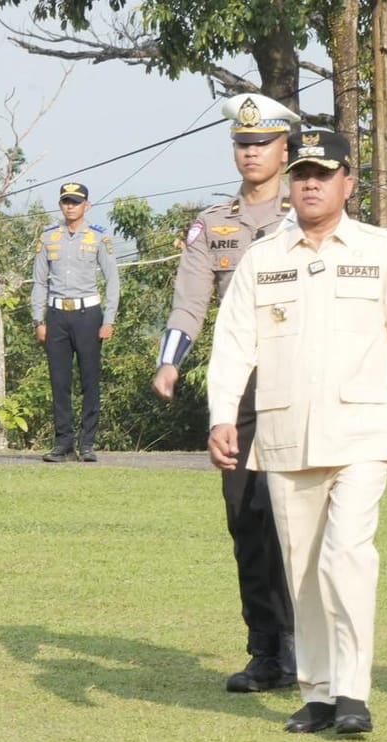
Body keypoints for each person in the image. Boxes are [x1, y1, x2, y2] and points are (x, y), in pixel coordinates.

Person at [206, 130, 387, 735]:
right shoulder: (263, 257)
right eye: (302, 174)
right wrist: (222, 415)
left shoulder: (382, 251)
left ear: (348, 183)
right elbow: (232, 345)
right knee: (304, 568)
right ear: (291, 183)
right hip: (286, 434)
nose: (311, 184)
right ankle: (316, 693)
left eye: (323, 174)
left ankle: (353, 693)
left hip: (362, 431)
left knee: (347, 556)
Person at [151, 93, 298, 692]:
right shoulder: (214, 225)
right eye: (242, 143)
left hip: (302, 384)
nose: (251, 153)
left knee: (296, 517)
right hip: (241, 388)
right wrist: (170, 362)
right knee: (247, 518)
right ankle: (266, 649)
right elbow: (190, 302)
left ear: (285, 148)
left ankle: (307, 646)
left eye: (262, 142)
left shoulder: (309, 212)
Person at [31, 182, 120, 462]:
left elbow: (113, 280)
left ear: (86, 206)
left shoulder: (98, 237)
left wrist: (108, 320)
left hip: (88, 315)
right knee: (59, 382)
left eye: (76, 202)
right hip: (56, 315)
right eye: (66, 201)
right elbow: (39, 282)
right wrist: (38, 320)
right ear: (60, 205)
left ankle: (87, 444)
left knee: (89, 380)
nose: (70, 207)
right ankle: (63, 444)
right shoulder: (48, 237)